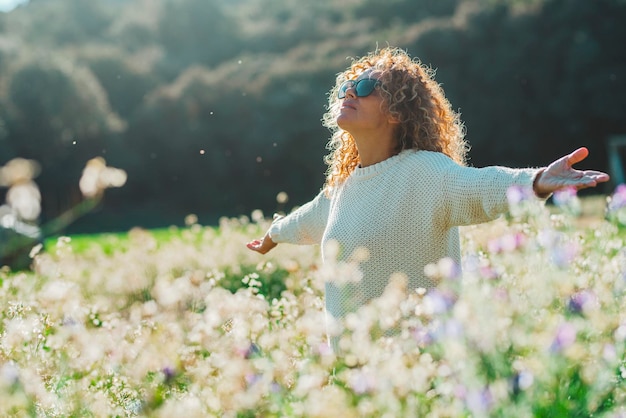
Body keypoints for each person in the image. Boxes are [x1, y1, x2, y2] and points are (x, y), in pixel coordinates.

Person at [246, 47, 609, 322]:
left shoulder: (425, 171)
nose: (350, 93)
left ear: (397, 112)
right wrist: (272, 237)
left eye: (366, 86)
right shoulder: (342, 188)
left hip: (421, 374)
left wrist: (538, 181)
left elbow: (481, 186)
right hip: (357, 379)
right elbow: (307, 219)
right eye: (346, 86)